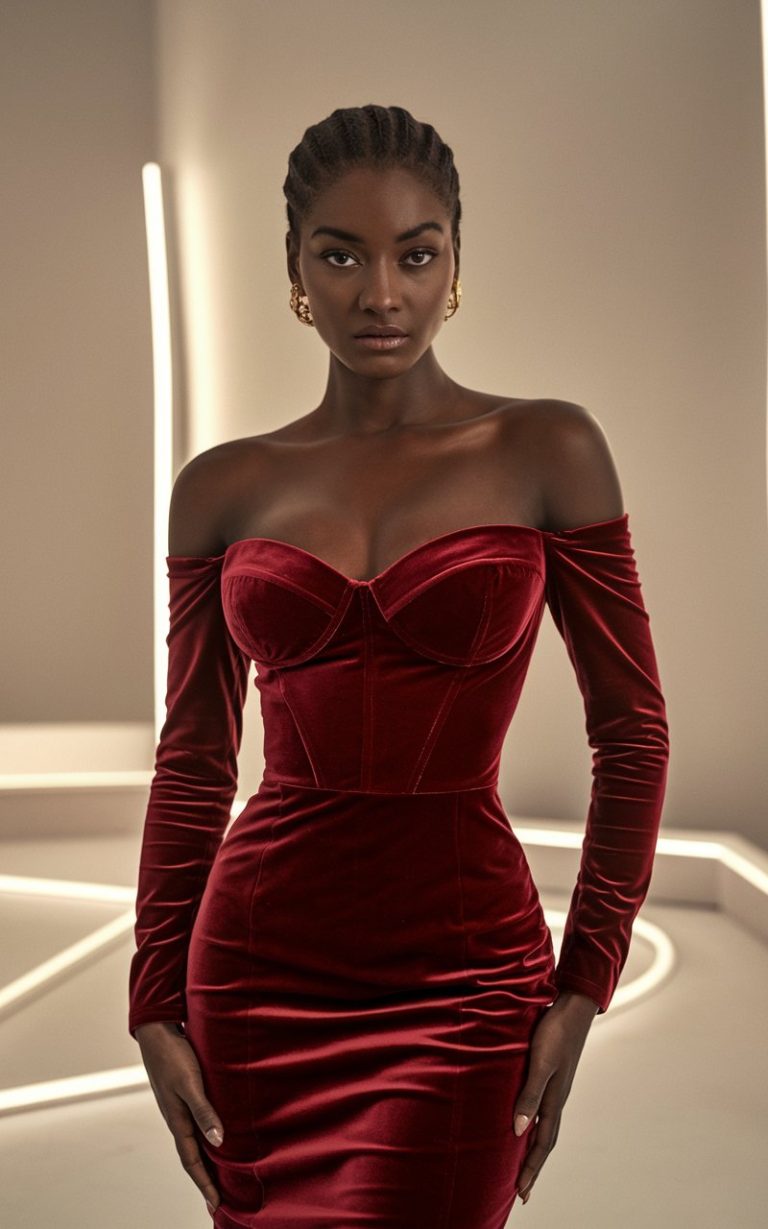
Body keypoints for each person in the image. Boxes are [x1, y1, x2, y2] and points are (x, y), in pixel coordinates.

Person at [128, 103, 669, 1228]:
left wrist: (584, 982)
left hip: (466, 984)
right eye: (342, 254)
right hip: (258, 970)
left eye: (416, 254)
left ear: (455, 264)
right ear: (294, 270)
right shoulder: (223, 486)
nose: (381, 294)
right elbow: (192, 758)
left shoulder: (547, 448)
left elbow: (631, 729)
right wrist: (153, 1000)